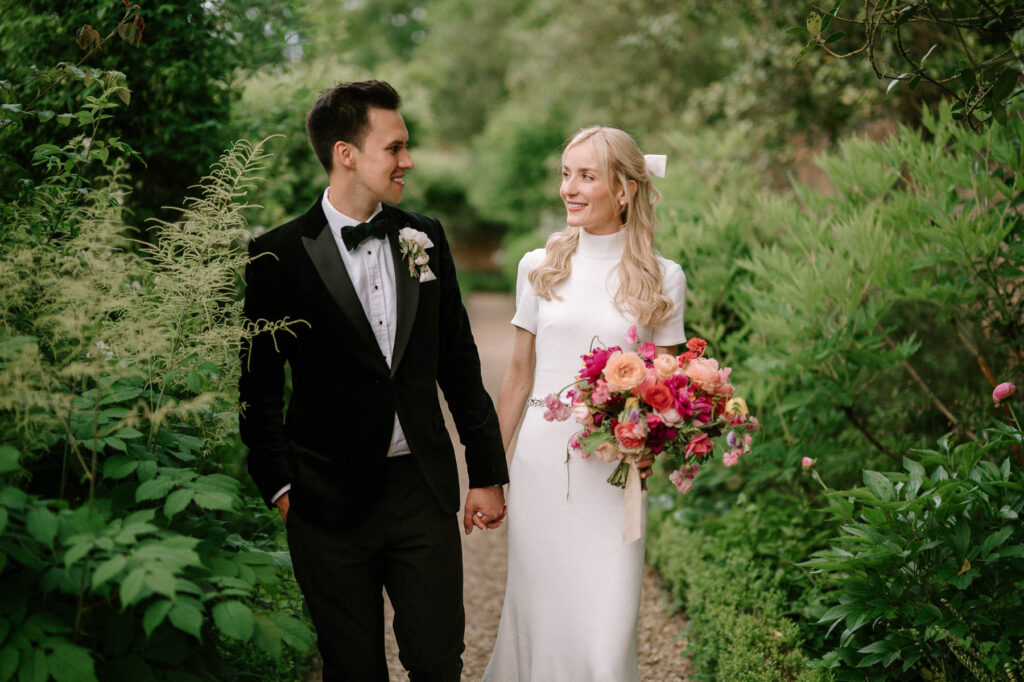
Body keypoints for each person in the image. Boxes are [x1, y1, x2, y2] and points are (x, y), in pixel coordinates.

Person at [238, 79, 509, 681]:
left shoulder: (426, 236)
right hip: (326, 499)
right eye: (395, 147)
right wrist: (280, 486)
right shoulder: (275, 256)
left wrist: (487, 472)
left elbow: (459, 364)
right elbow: (257, 387)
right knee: (352, 667)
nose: (407, 160)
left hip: (421, 488)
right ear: (346, 154)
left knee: (438, 660)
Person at [483, 127, 686, 681]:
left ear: (624, 190)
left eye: (586, 176)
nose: (569, 188)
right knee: (540, 613)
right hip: (542, 467)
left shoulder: (663, 277)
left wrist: (650, 445)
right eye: (565, 174)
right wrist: (487, 475)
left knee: (609, 622)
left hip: (615, 473)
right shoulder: (538, 266)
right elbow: (519, 378)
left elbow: (670, 390)